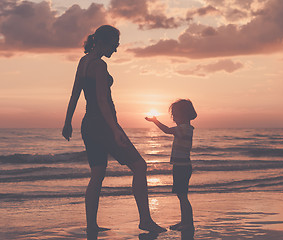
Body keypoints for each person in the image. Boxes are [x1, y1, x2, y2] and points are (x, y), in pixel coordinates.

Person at [62, 25, 166, 233]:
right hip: (103, 123)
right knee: (140, 166)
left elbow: (74, 95)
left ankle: (91, 225)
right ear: (102, 42)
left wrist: (67, 122)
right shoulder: (99, 65)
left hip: (88, 124)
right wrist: (115, 129)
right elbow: (102, 100)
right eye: (115, 45)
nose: (116, 50)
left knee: (97, 174)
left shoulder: (83, 62)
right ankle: (145, 220)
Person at [145, 99, 197, 231]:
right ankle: (185, 222)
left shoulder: (184, 129)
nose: (173, 118)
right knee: (181, 195)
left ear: (184, 115)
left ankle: (188, 223)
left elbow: (167, 130)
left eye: (175, 115)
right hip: (181, 166)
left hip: (182, 167)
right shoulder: (185, 128)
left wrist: (155, 121)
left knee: (183, 196)